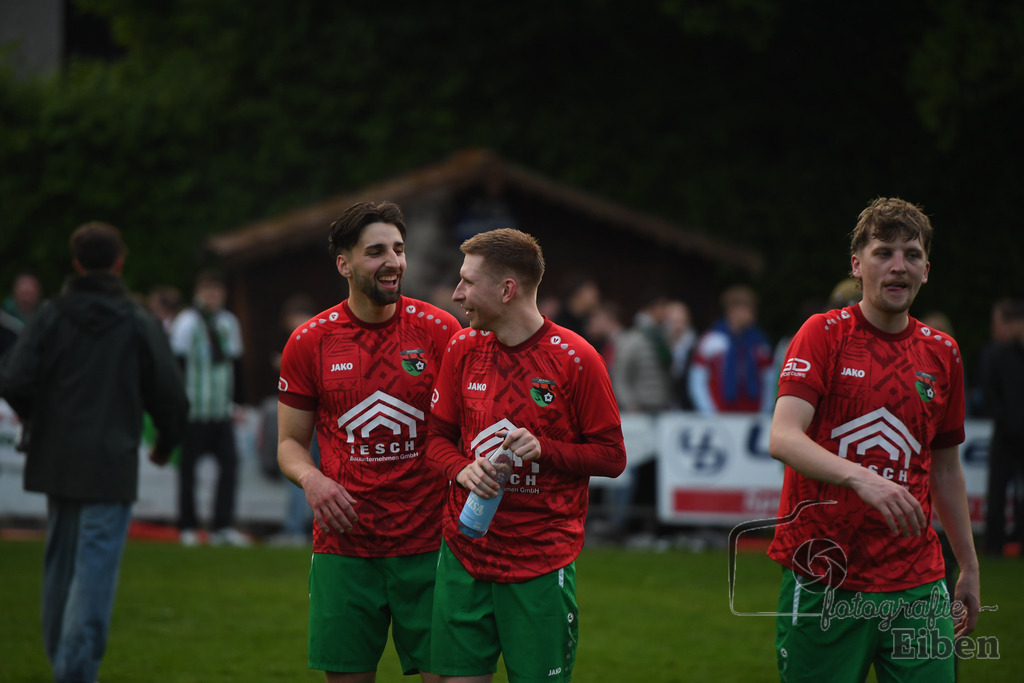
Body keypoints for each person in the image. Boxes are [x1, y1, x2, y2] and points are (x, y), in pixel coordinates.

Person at [767, 197, 979, 682]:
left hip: (917, 579)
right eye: (884, 252)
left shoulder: (943, 353)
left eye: (912, 254)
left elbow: (947, 467)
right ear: (857, 265)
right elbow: (782, 436)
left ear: (926, 270)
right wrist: (863, 479)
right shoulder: (822, 334)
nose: (898, 265)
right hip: (825, 574)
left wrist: (968, 565)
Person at [425, 228, 626, 682]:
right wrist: (461, 470)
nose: (457, 294)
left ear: (507, 290)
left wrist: (546, 450)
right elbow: (434, 440)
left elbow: (612, 457)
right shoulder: (462, 347)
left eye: (468, 282)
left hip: (540, 562)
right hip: (464, 555)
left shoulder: (577, 358)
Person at [277, 200, 459, 682]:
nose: (393, 261)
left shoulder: (441, 330)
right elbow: (289, 443)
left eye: (398, 249)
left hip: (430, 543)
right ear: (345, 264)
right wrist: (312, 479)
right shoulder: (309, 341)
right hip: (345, 547)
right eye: (376, 251)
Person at [0, 221, 188, 683]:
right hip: (111, 460)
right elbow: (170, 393)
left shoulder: (50, 314)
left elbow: (15, 381)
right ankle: (76, 672)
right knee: (94, 572)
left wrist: (38, 420)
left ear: (77, 263)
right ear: (119, 263)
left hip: (57, 458)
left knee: (60, 568)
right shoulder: (137, 319)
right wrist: (165, 442)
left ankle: (64, 665)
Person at [170, 269, 249, 547]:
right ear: (198, 293)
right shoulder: (187, 322)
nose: (212, 297)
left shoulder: (229, 322)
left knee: (230, 467)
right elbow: (177, 364)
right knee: (188, 471)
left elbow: (236, 364)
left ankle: (222, 526)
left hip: (220, 411)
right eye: (208, 292)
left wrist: (238, 403)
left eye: (216, 292)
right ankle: (188, 526)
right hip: (194, 411)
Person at [688, 284, 774, 414]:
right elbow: (697, 379)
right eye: (749, 309)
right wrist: (708, 412)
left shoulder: (759, 342)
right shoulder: (712, 340)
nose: (753, 314)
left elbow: (769, 380)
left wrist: (765, 411)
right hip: (720, 414)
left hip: (753, 414)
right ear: (733, 310)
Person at [982, 298, 1024, 558]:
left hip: (1013, 430)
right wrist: (1004, 419)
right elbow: (990, 393)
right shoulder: (998, 354)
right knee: (997, 487)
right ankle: (993, 543)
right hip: (1004, 432)